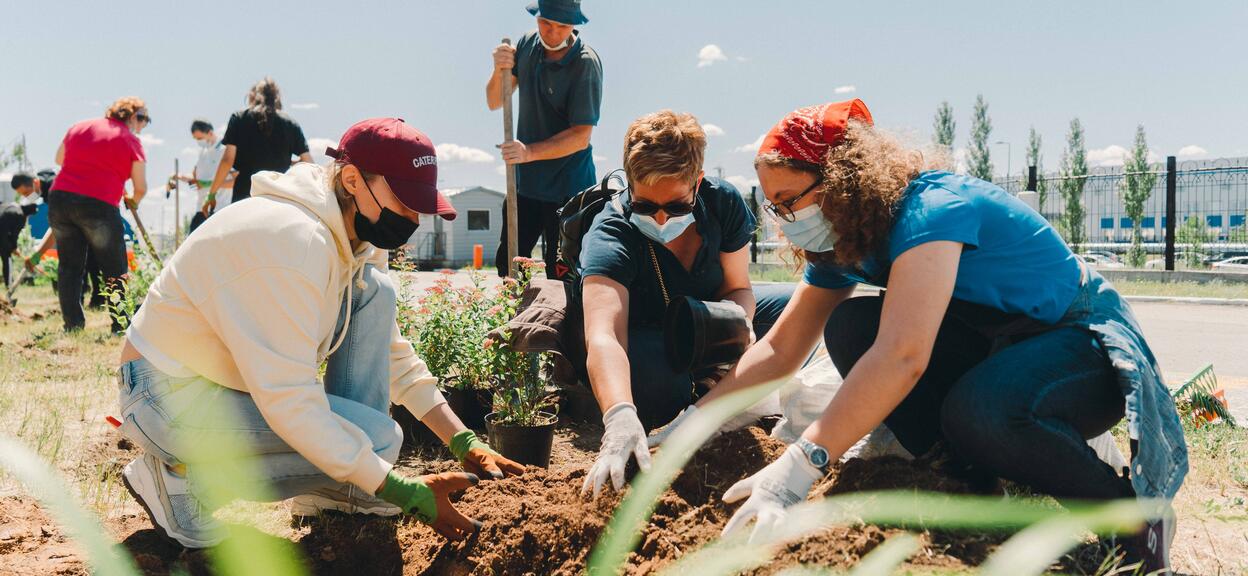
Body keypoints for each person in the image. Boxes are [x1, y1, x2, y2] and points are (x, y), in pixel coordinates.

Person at [649, 100, 1187, 572]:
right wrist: (693, 422)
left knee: (981, 411)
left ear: (840, 181)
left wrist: (799, 467)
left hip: (1081, 348)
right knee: (852, 325)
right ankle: (968, 479)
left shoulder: (932, 209)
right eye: (775, 205)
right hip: (1004, 346)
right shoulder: (850, 240)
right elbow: (780, 348)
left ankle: (1135, 521)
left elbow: (904, 355)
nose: (784, 219)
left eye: (790, 200)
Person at [116, 118, 524, 549]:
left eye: (421, 205)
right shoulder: (294, 242)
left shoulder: (356, 237)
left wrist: (464, 440)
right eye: (405, 202)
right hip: (166, 395)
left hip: (228, 386)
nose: (414, 219)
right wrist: (396, 487)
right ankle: (182, 479)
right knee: (379, 442)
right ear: (352, 180)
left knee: (375, 294)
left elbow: (391, 352)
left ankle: (338, 491)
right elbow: (289, 400)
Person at [576, 111, 794, 498]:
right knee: (660, 388)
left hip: (710, 322)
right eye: (645, 206)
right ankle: (701, 389)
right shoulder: (610, 232)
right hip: (647, 336)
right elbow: (605, 335)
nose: (661, 218)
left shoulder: (722, 202)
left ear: (698, 181)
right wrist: (619, 414)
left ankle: (724, 380)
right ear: (629, 184)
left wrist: (739, 332)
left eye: (676, 207)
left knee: (794, 309)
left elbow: (739, 287)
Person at [485, 0, 602, 277]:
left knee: (562, 272)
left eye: (562, 25)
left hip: (569, 188)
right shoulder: (527, 45)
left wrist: (527, 152)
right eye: (546, 23)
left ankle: (567, 321)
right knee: (510, 270)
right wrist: (498, 69)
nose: (552, 32)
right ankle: (515, 319)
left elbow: (580, 137)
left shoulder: (585, 63)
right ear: (537, 17)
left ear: (574, 24)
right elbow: (494, 101)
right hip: (525, 184)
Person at [48, 97, 149, 332]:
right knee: (114, 268)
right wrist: (133, 199)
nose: (143, 125)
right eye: (143, 119)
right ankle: (121, 323)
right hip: (99, 205)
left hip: (61, 198)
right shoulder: (131, 141)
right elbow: (141, 186)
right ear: (133, 117)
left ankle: (73, 325)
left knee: (69, 267)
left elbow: (59, 159)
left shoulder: (80, 126)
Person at [204, 77, 310, 213]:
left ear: (252, 96)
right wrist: (285, 161)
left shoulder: (239, 118)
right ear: (277, 97)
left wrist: (211, 194)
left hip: (245, 197)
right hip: (280, 198)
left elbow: (227, 160)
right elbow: (308, 163)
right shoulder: (291, 123)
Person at [175, 119, 235, 232]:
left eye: (200, 138)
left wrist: (209, 184)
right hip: (201, 209)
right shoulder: (203, 152)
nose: (198, 141)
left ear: (210, 133)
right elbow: (196, 179)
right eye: (196, 139)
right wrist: (178, 176)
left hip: (220, 209)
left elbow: (235, 182)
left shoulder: (225, 151)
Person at [2, 173, 43, 286]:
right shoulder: (19, 214)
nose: (26, 196)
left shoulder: (12, 207)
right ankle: (8, 284)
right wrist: (13, 247)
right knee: (6, 257)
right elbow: (14, 234)